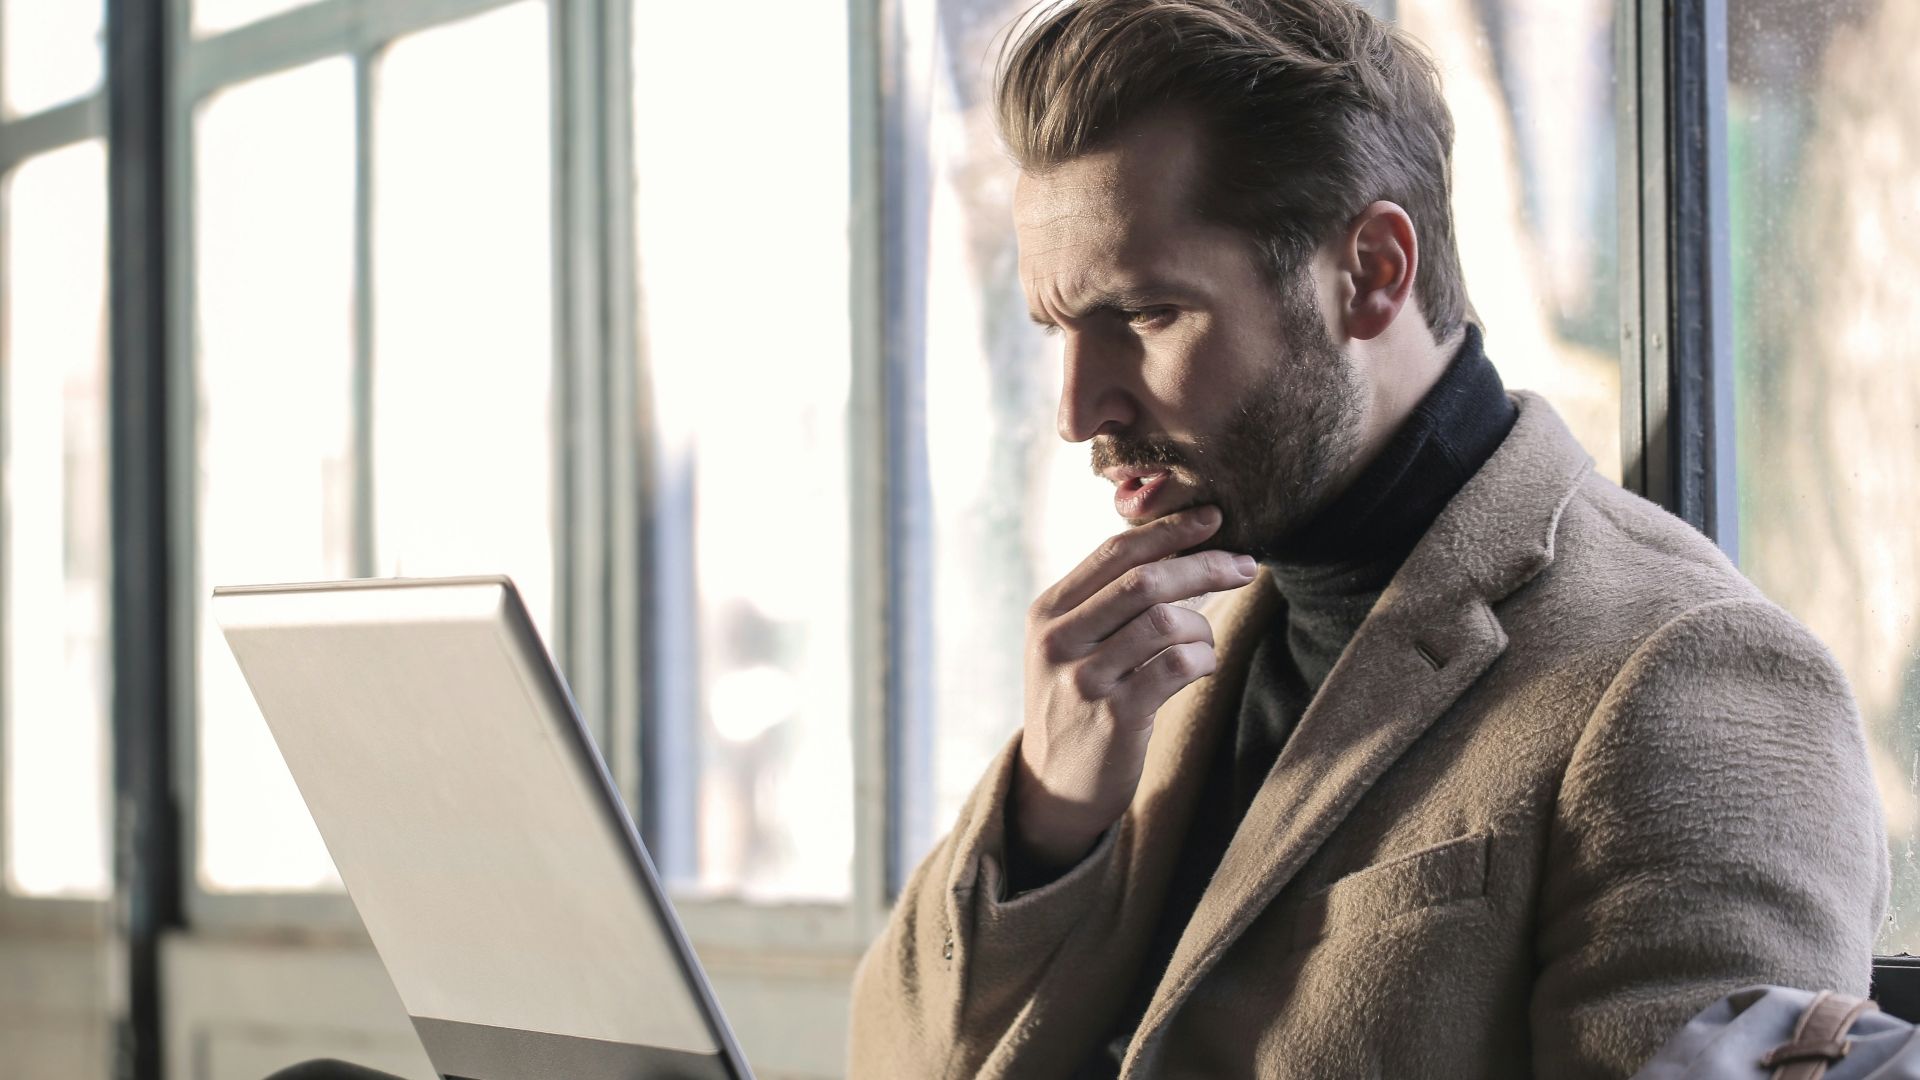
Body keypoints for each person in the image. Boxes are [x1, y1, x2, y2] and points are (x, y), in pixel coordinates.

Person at [845, 1, 1889, 1077]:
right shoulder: (1165, 652)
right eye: (1059, 328)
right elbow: (890, 1060)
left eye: (1147, 314)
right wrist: (1051, 815)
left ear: (1373, 272)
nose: (1078, 409)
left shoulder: (1694, 678)